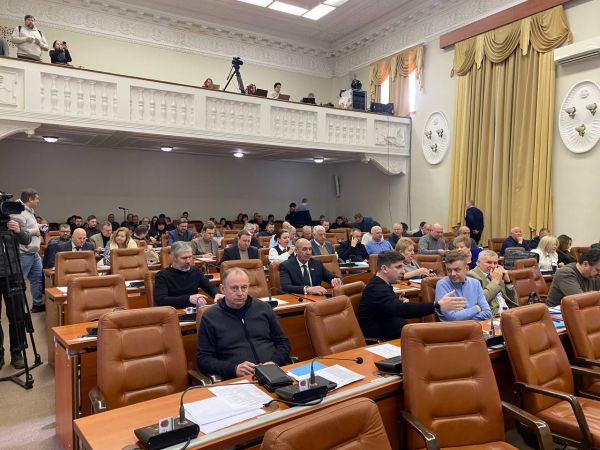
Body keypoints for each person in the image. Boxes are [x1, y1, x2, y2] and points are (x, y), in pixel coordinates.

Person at [197, 268, 291, 380]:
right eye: (234, 288)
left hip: (274, 373)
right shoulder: (210, 317)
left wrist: (275, 362)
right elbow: (204, 360)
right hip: (239, 380)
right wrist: (234, 368)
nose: (240, 293)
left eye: (244, 287)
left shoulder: (263, 308)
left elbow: (283, 343)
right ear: (222, 289)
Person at [358, 251, 466, 341]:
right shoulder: (376, 288)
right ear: (384, 268)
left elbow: (389, 308)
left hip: (397, 337)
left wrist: (395, 302)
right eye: (398, 267)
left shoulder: (382, 284)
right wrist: (437, 306)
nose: (403, 271)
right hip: (382, 342)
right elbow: (401, 310)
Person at [0, 218, 32, 369]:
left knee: (17, 316)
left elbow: (27, 239)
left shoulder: (13, 220)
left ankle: (17, 351)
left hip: (13, 274)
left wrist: (18, 230)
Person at [155, 242, 219, 309]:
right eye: (184, 258)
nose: (188, 261)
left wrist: (216, 294)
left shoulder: (195, 271)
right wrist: (188, 299)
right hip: (174, 312)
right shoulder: (162, 275)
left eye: (190, 257)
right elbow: (161, 300)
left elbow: (209, 287)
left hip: (194, 310)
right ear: (174, 258)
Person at [10, 188, 44, 313]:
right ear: (30, 199)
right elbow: (17, 232)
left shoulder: (29, 211)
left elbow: (27, 227)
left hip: (33, 253)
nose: (38, 201)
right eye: (37, 198)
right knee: (19, 283)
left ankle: (37, 304)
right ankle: (18, 311)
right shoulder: (18, 212)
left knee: (37, 279)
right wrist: (35, 231)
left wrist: (38, 227)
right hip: (23, 253)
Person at [435, 253, 492, 321]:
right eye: (449, 270)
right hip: (452, 327)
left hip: (475, 326)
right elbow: (453, 318)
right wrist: (476, 308)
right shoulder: (442, 284)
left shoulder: (475, 283)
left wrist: (465, 318)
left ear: (466, 269)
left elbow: (488, 313)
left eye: (457, 270)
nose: (453, 274)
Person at [467, 250, 518, 315]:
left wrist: (507, 282)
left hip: (509, 312)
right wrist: (495, 282)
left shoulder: (497, 274)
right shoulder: (471, 276)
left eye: (495, 263)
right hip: (493, 315)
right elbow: (479, 301)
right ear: (478, 263)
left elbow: (514, 301)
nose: (493, 266)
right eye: (489, 262)